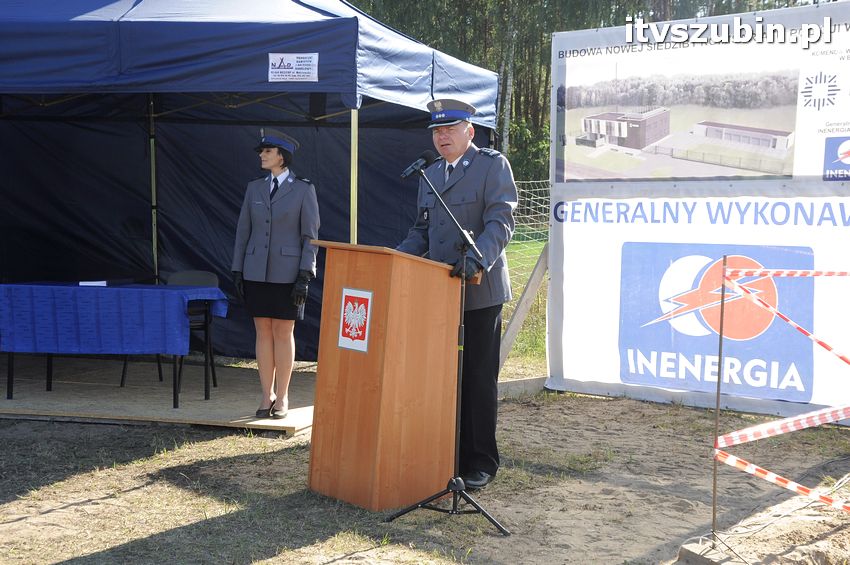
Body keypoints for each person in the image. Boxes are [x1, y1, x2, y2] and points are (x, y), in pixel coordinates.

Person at [396, 98, 517, 489]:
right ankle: (446, 453)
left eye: (449, 129)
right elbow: (421, 231)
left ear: (470, 131)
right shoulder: (429, 174)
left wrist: (478, 260)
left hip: (479, 290)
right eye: (436, 131)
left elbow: (501, 221)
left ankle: (480, 460)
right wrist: (393, 259)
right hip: (438, 293)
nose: (441, 136)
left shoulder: (490, 165)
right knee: (444, 378)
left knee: (478, 377)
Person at [232, 129, 320, 420]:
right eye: (262, 151)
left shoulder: (303, 189)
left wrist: (305, 274)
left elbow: (310, 236)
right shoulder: (254, 188)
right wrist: (237, 268)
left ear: (282, 156)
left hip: (288, 273)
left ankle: (282, 396)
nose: (261, 155)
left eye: (267, 151)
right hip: (256, 270)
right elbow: (243, 230)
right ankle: (265, 393)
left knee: (283, 333)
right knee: (262, 332)